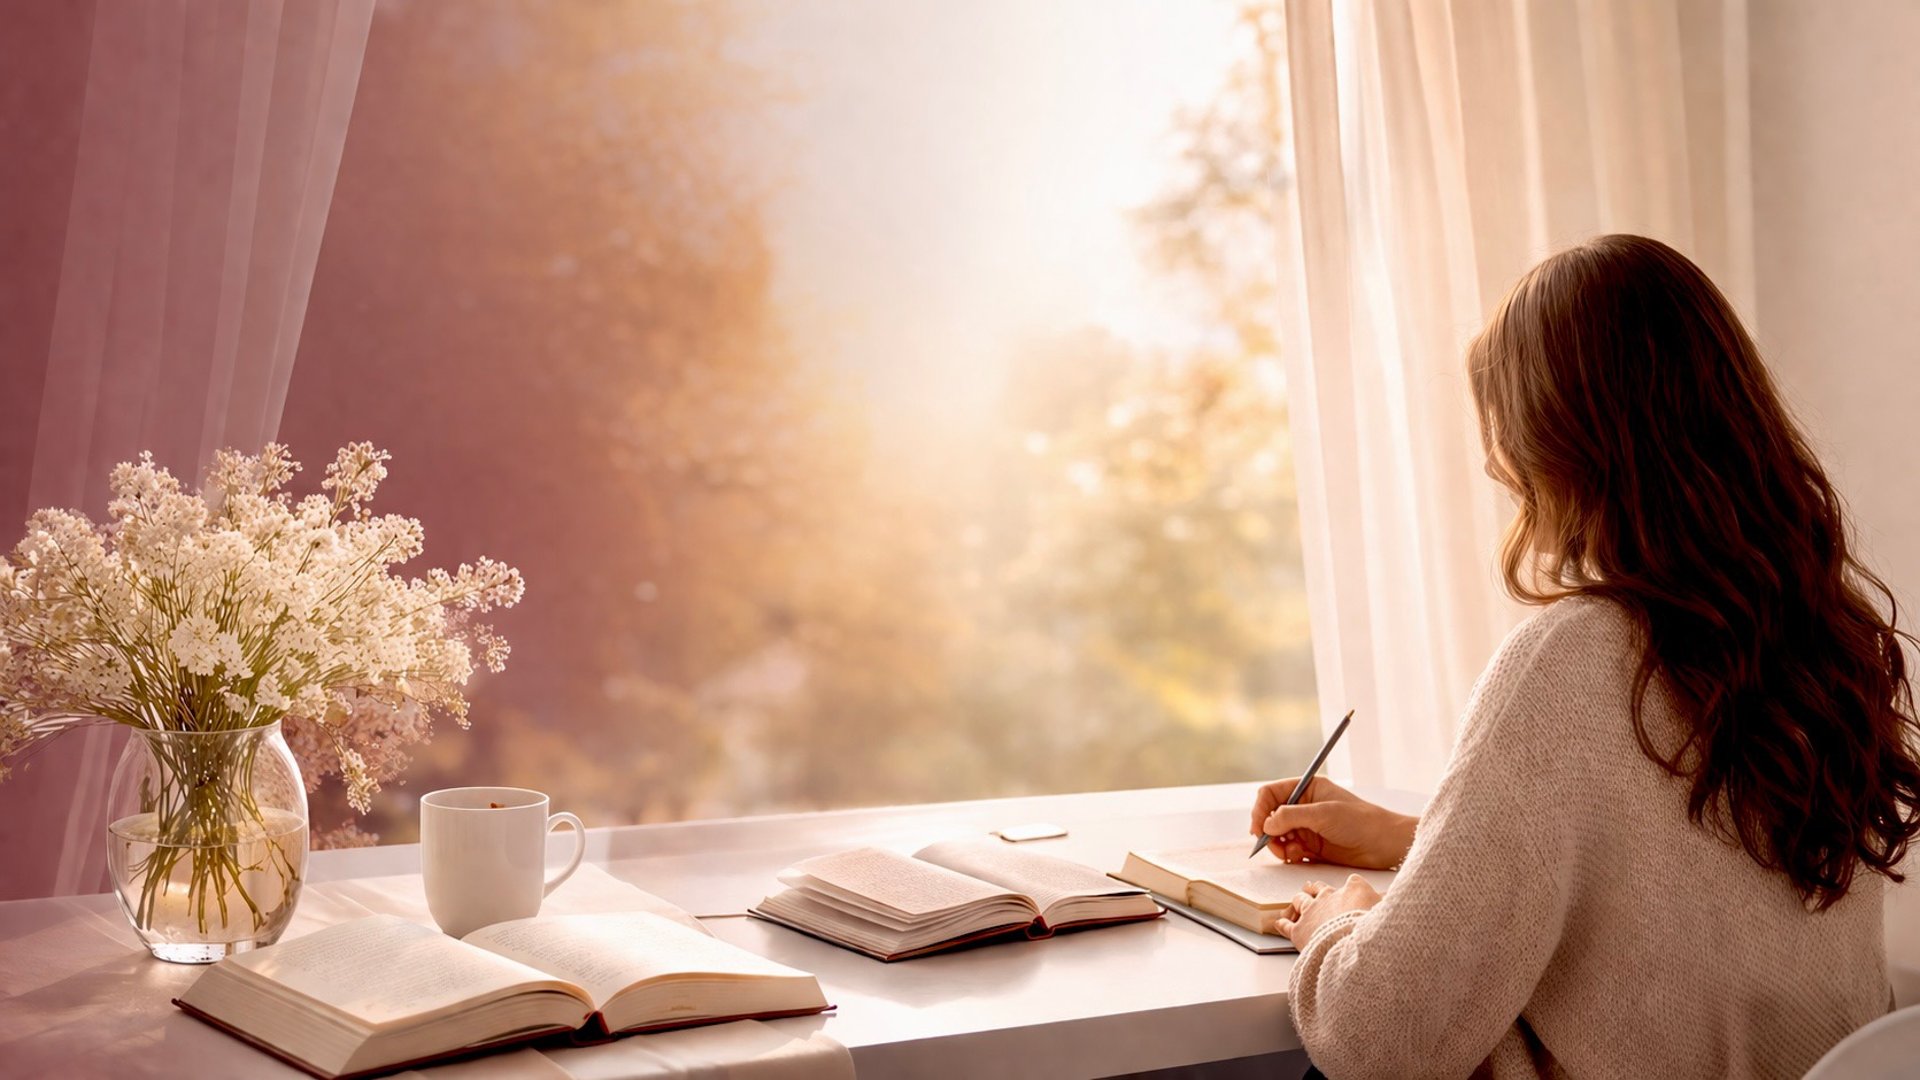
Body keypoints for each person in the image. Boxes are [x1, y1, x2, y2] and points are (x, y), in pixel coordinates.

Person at [1251, 234, 1919, 1079]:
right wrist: (1413, 842)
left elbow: (1386, 1037)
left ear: (1562, 448)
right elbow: (1679, 887)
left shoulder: (1573, 658)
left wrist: (1332, 932)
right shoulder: (1827, 643)